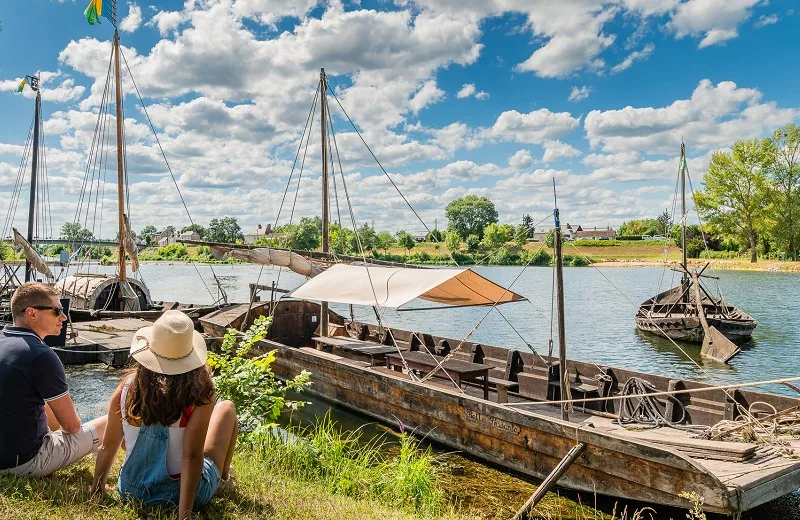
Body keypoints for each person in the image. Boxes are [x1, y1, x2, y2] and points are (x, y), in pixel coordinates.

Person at [92, 310, 237, 520]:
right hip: (179, 495)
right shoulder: (200, 395)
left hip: (131, 491)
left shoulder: (126, 389)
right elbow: (192, 456)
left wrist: (96, 489)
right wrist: (184, 515)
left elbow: (109, 446)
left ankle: (221, 476)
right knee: (227, 408)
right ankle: (223, 476)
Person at [0, 282, 107, 476]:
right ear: (32, 313)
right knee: (114, 418)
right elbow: (72, 426)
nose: (64, 317)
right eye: (57, 310)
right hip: (21, 463)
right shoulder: (41, 356)